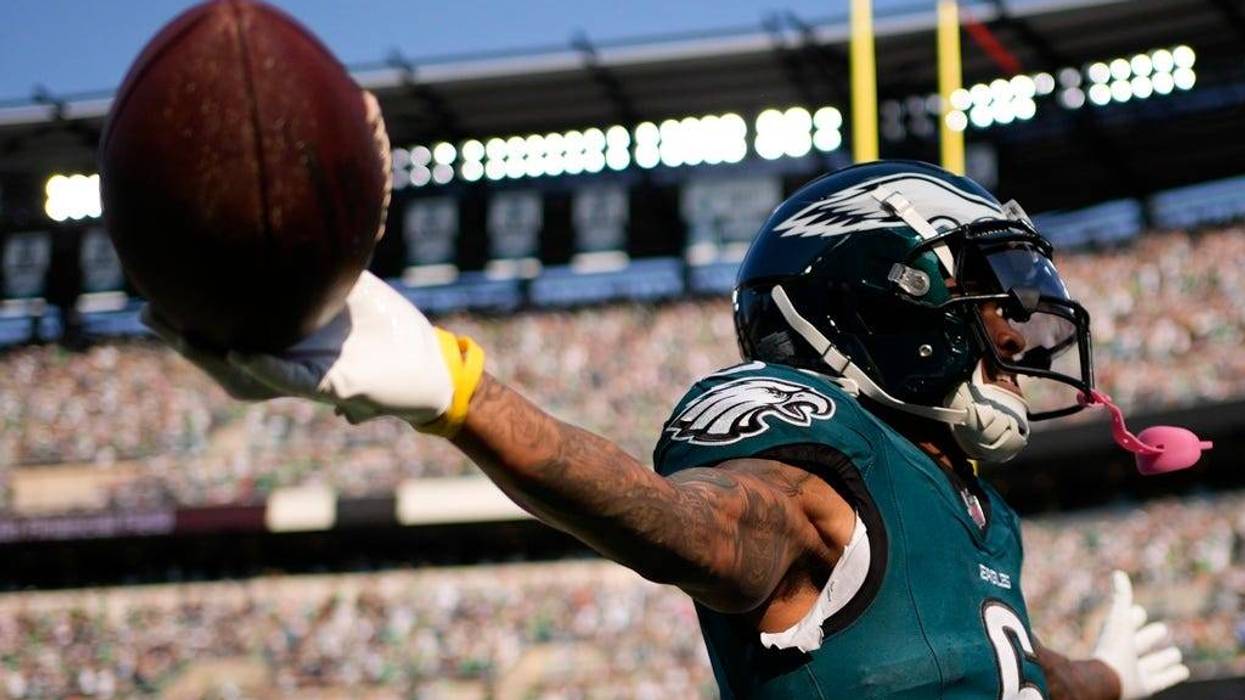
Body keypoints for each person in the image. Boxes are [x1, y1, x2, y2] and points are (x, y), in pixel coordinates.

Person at [142, 99, 1188, 698]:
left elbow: (1018, 665)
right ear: (885, 301)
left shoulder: (971, 507)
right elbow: (699, 528)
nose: (1014, 333)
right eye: (984, 301)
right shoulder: (823, 465)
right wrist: (465, 396)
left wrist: (1106, 677)